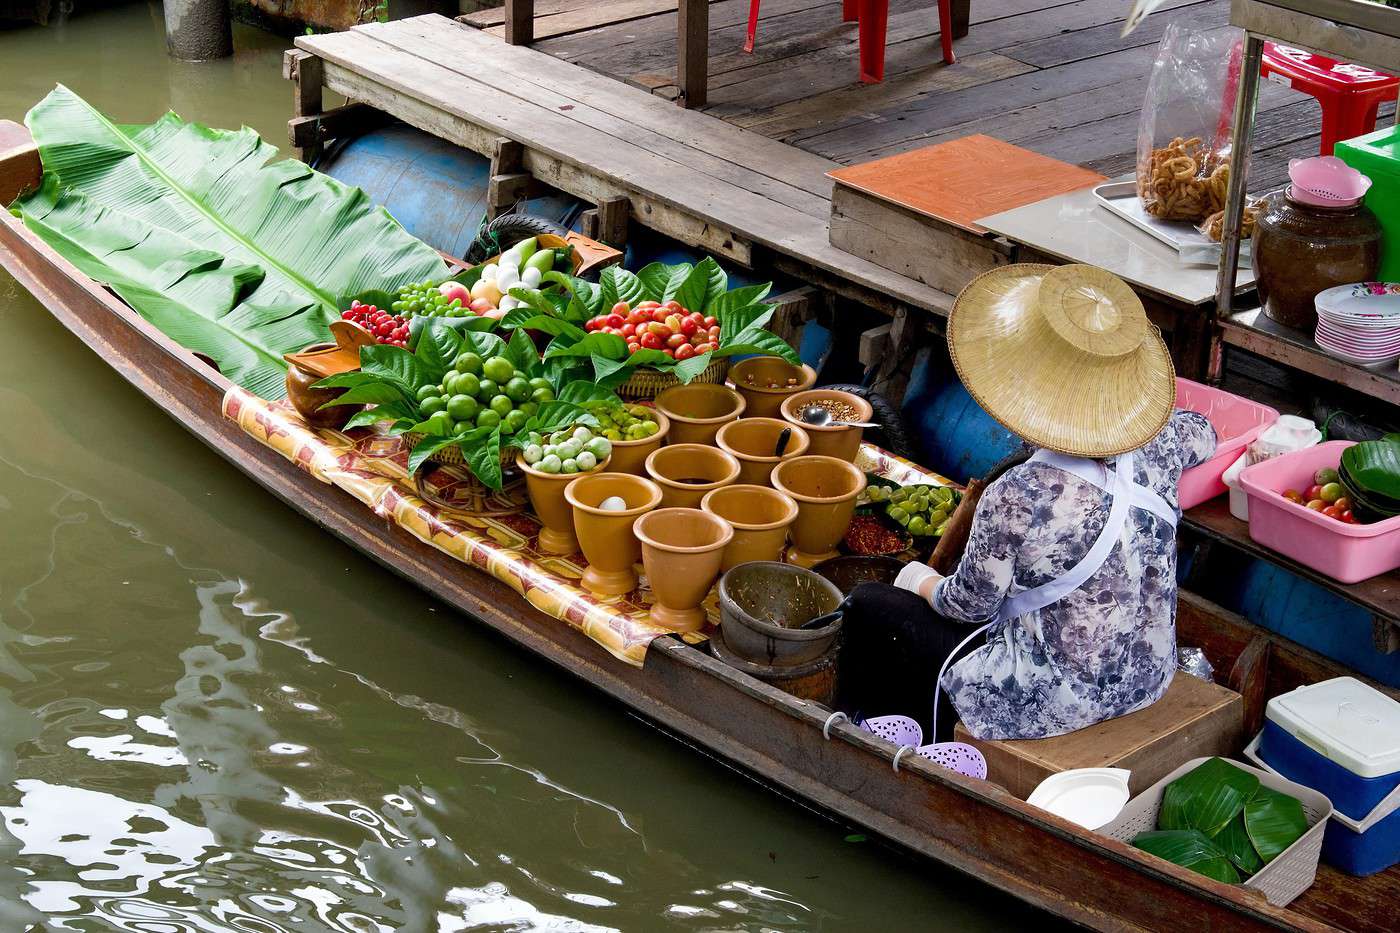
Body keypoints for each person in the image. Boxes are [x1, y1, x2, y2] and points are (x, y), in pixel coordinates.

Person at [836, 263, 1217, 744]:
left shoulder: (1019, 494)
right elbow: (1205, 432)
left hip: (1054, 701)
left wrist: (920, 580)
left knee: (870, 605)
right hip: (1146, 676)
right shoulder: (1162, 441)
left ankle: (883, 742)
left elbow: (968, 606)